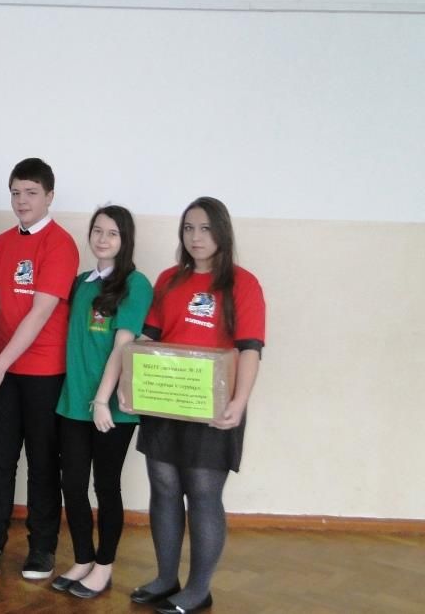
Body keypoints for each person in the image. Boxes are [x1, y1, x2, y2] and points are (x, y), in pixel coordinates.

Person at [127, 196, 265, 614]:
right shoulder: (169, 279)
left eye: (205, 228)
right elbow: (148, 339)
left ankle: (199, 589)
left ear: (222, 232)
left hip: (214, 407)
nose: (196, 237)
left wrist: (240, 401)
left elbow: (250, 349)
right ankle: (166, 579)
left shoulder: (243, 283)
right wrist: (129, 385)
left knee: (203, 493)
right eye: (188, 228)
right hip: (164, 401)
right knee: (164, 488)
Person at [0, 158, 80, 580]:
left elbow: (40, 313)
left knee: (42, 461)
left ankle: (42, 549)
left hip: (43, 371)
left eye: (31, 192)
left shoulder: (61, 244)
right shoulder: (3, 241)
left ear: (49, 196)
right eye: (15, 193)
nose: (21, 201)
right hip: (2, 370)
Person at [52, 205, 153, 599]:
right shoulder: (81, 283)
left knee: (106, 485)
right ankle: (83, 558)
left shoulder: (136, 284)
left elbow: (123, 346)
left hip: (110, 409)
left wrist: (101, 400)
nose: (103, 239)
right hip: (73, 402)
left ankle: (104, 566)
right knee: (73, 484)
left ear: (125, 240)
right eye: (97, 231)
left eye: (112, 233)